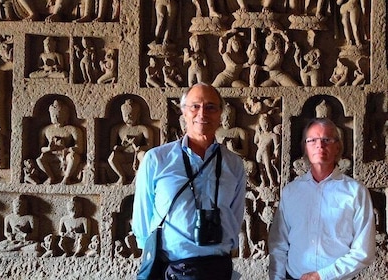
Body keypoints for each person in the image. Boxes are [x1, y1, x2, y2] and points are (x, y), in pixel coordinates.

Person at [132, 83, 246, 279]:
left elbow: (235, 217)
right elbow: (142, 217)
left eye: (211, 107)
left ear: (220, 114)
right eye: (195, 106)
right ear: (184, 112)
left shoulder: (234, 164)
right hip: (174, 269)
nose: (202, 113)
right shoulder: (157, 160)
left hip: (218, 268)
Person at [268, 117, 376, 280]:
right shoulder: (291, 192)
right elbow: (278, 244)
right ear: (305, 147)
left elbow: (363, 252)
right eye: (312, 140)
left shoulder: (355, 192)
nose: (319, 145)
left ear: (338, 146)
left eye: (326, 139)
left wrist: (322, 275)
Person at [36, 100, 85, 184]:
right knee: (40, 159)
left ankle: (66, 178)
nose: (56, 117)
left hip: (66, 154)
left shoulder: (73, 129)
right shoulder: (46, 130)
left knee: (73, 157)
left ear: (66, 115)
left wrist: (67, 148)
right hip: (52, 155)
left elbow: (80, 149)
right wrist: (49, 148)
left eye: (59, 114)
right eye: (53, 115)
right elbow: (40, 149)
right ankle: (51, 177)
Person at [108, 99, 154, 184]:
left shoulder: (143, 129)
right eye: (125, 115)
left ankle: (137, 177)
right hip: (124, 154)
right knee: (112, 157)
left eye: (131, 114)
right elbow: (112, 147)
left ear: (138, 115)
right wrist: (123, 146)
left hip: (137, 154)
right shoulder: (117, 129)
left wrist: (138, 146)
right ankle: (121, 176)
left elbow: (150, 146)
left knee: (144, 155)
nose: (128, 117)